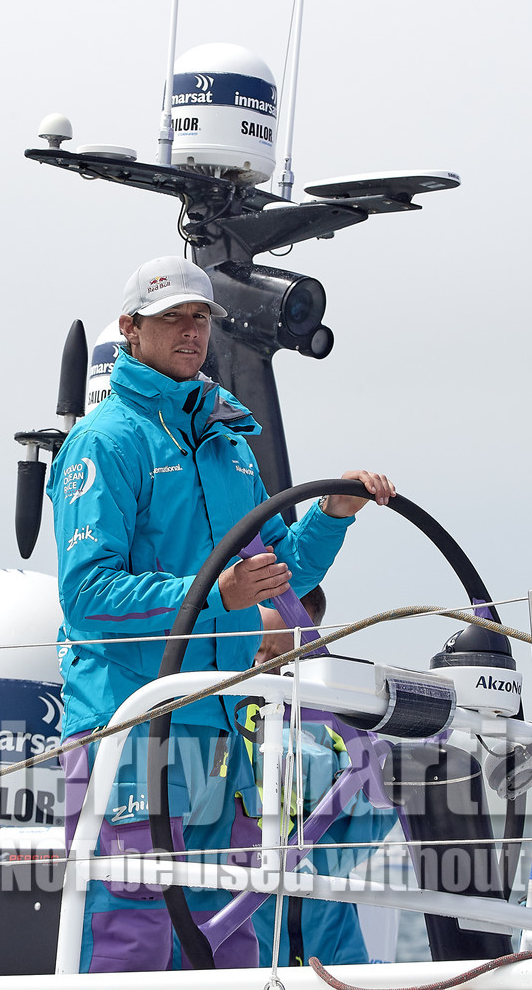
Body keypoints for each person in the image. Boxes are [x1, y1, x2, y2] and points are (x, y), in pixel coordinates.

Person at [49, 255, 394, 973]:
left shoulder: (231, 447)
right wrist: (215, 593)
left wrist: (332, 515)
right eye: (172, 317)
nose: (190, 331)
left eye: (200, 318)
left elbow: (278, 573)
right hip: (131, 727)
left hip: (223, 735)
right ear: (130, 329)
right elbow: (87, 597)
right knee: (130, 940)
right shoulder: (105, 440)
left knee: (231, 936)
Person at [245, 588, 397, 968]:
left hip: (330, 926)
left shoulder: (342, 714)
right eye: (254, 652)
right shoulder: (219, 706)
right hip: (247, 920)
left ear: (312, 637)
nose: (261, 668)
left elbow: (380, 806)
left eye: (278, 656)